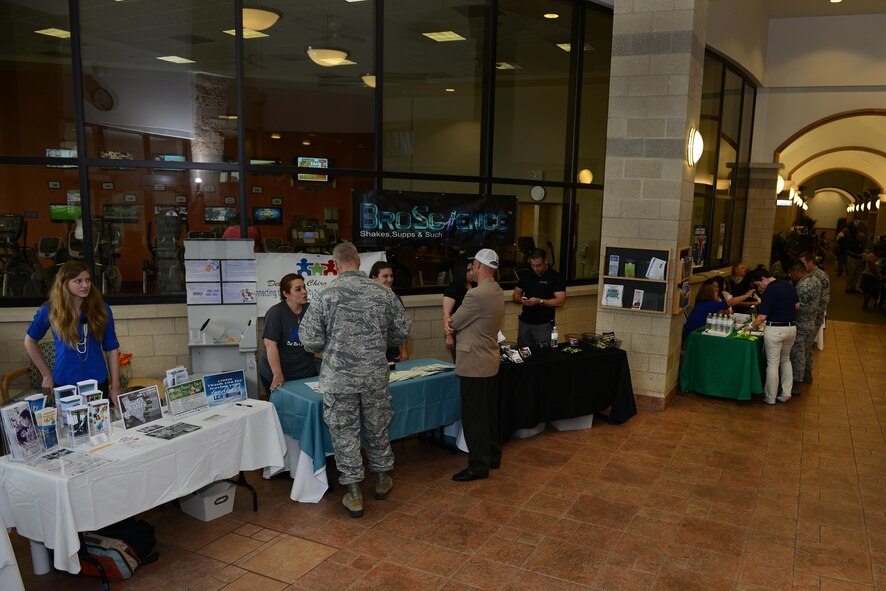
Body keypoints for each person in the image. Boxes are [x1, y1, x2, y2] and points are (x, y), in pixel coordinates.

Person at [300, 243, 411, 518]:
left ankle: (354, 494)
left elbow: (310, 340)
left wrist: (335, 340)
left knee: (345, 435)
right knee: (377, 427)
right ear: (359, 261)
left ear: (335, 264)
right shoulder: (383, 293)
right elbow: (403, 331)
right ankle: (383, 479)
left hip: (339, 380)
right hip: (374, 376)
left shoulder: (325, 295)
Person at [24, 261, 121, 405]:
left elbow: (111, 348)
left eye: (87, 280)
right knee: (69, 425)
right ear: (65, 283)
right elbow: (30, 341)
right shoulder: (50, 310)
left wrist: (116, 385)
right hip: (65, 381)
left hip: (97, 380)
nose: (85, 285)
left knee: (100, 425)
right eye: (78, 281)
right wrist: (46, 374)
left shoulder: (102, 309)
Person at [446, 248, 505, 482]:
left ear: (479, 266)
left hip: (474, 364)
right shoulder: (497, 290)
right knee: (489, 413)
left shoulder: (476, 295)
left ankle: (478, 465)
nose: (471, 270)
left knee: (474, 417)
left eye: (473, 266)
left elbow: (455, 321)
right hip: (489, 360)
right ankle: (492, 455)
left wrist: (449, 322)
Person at [258, 273, 317, 396]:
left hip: (305, 371)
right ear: (286, 294)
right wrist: (277, 374)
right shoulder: (276, 313)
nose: (304, 292)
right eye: (298, 289)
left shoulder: (311, 309)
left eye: (304, 287)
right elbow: (270, 345)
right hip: (279, 372)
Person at [750, 269, 799, 405]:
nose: (759, 287)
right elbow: (797, 305)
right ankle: (786, 393)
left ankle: (770, 398)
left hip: (775, 329)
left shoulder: (770, 290)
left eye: (759, 284)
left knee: (772, 364)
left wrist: (751, 326)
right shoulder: (788, 285)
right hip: (791, 328)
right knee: (785, 360)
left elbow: (762, 317)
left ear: (763, 279)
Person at [512, 248, 566, 347]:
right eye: (533, 265)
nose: (535, 269)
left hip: (543, 324)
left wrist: (540, 301)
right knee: (524, 353)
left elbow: (560, 302)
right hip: (525, 323)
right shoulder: (527, 274)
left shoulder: (555, 277)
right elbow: (515, 295)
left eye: (538, 265)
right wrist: (521, 300)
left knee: (545, 355)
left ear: (545, 261)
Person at [787, 259, 821, 397]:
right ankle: (807, 375)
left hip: (801, 323)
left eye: (791, 274)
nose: (790, 276)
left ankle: (796, 383)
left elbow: (797, 306)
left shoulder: (803, 286)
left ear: (796, 272)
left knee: (797, 354)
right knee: (807, 351)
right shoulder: (816, 280)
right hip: (811, 322)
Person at [798, 251, 830, 382]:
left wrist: (815, 316)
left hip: (813, 317)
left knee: (806, 346)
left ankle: (805, 372)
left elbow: (825, 299)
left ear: (811, 262)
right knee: (805, 346)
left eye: (803, 263)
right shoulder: (803, 275)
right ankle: (805, 372)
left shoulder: (821, 276)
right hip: (804, 317)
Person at [683, 278, 755, 336]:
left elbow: (719, 314)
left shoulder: (704, 303)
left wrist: (719, 302)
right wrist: (747, 295)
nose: (717, 292)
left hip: (697, 331)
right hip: (693, 334)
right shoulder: (708, 304)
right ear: (709, 293)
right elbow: (731, 302)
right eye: (715, 292)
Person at [369, 261, 409, 362]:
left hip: (392, 351)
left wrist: (404, 349)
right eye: (385, 276)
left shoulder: (395, 298)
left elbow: (402, 325)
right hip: (371, 351)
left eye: (391, 276)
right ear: (374, 277)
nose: (389, 279)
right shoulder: (365, 299)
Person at [442, 259, 474, 361]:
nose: (471, 273)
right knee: (461, 363)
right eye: (468, 270)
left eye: (472, 269)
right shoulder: (452, 289)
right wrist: (449, 336)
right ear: (461, 271)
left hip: (473, 331)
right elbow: (447, 315)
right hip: (458, 332)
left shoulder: (475, 286)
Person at [861, 242, 884, 311]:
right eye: (881, 251)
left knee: (870, 292)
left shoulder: (876, 257)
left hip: (872, 276)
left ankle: (865, 305)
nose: (882, 253)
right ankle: (864, 306)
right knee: (868, 292)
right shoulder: (871, 257)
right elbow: (872, 268)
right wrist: (878, 275)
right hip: (869, 276)